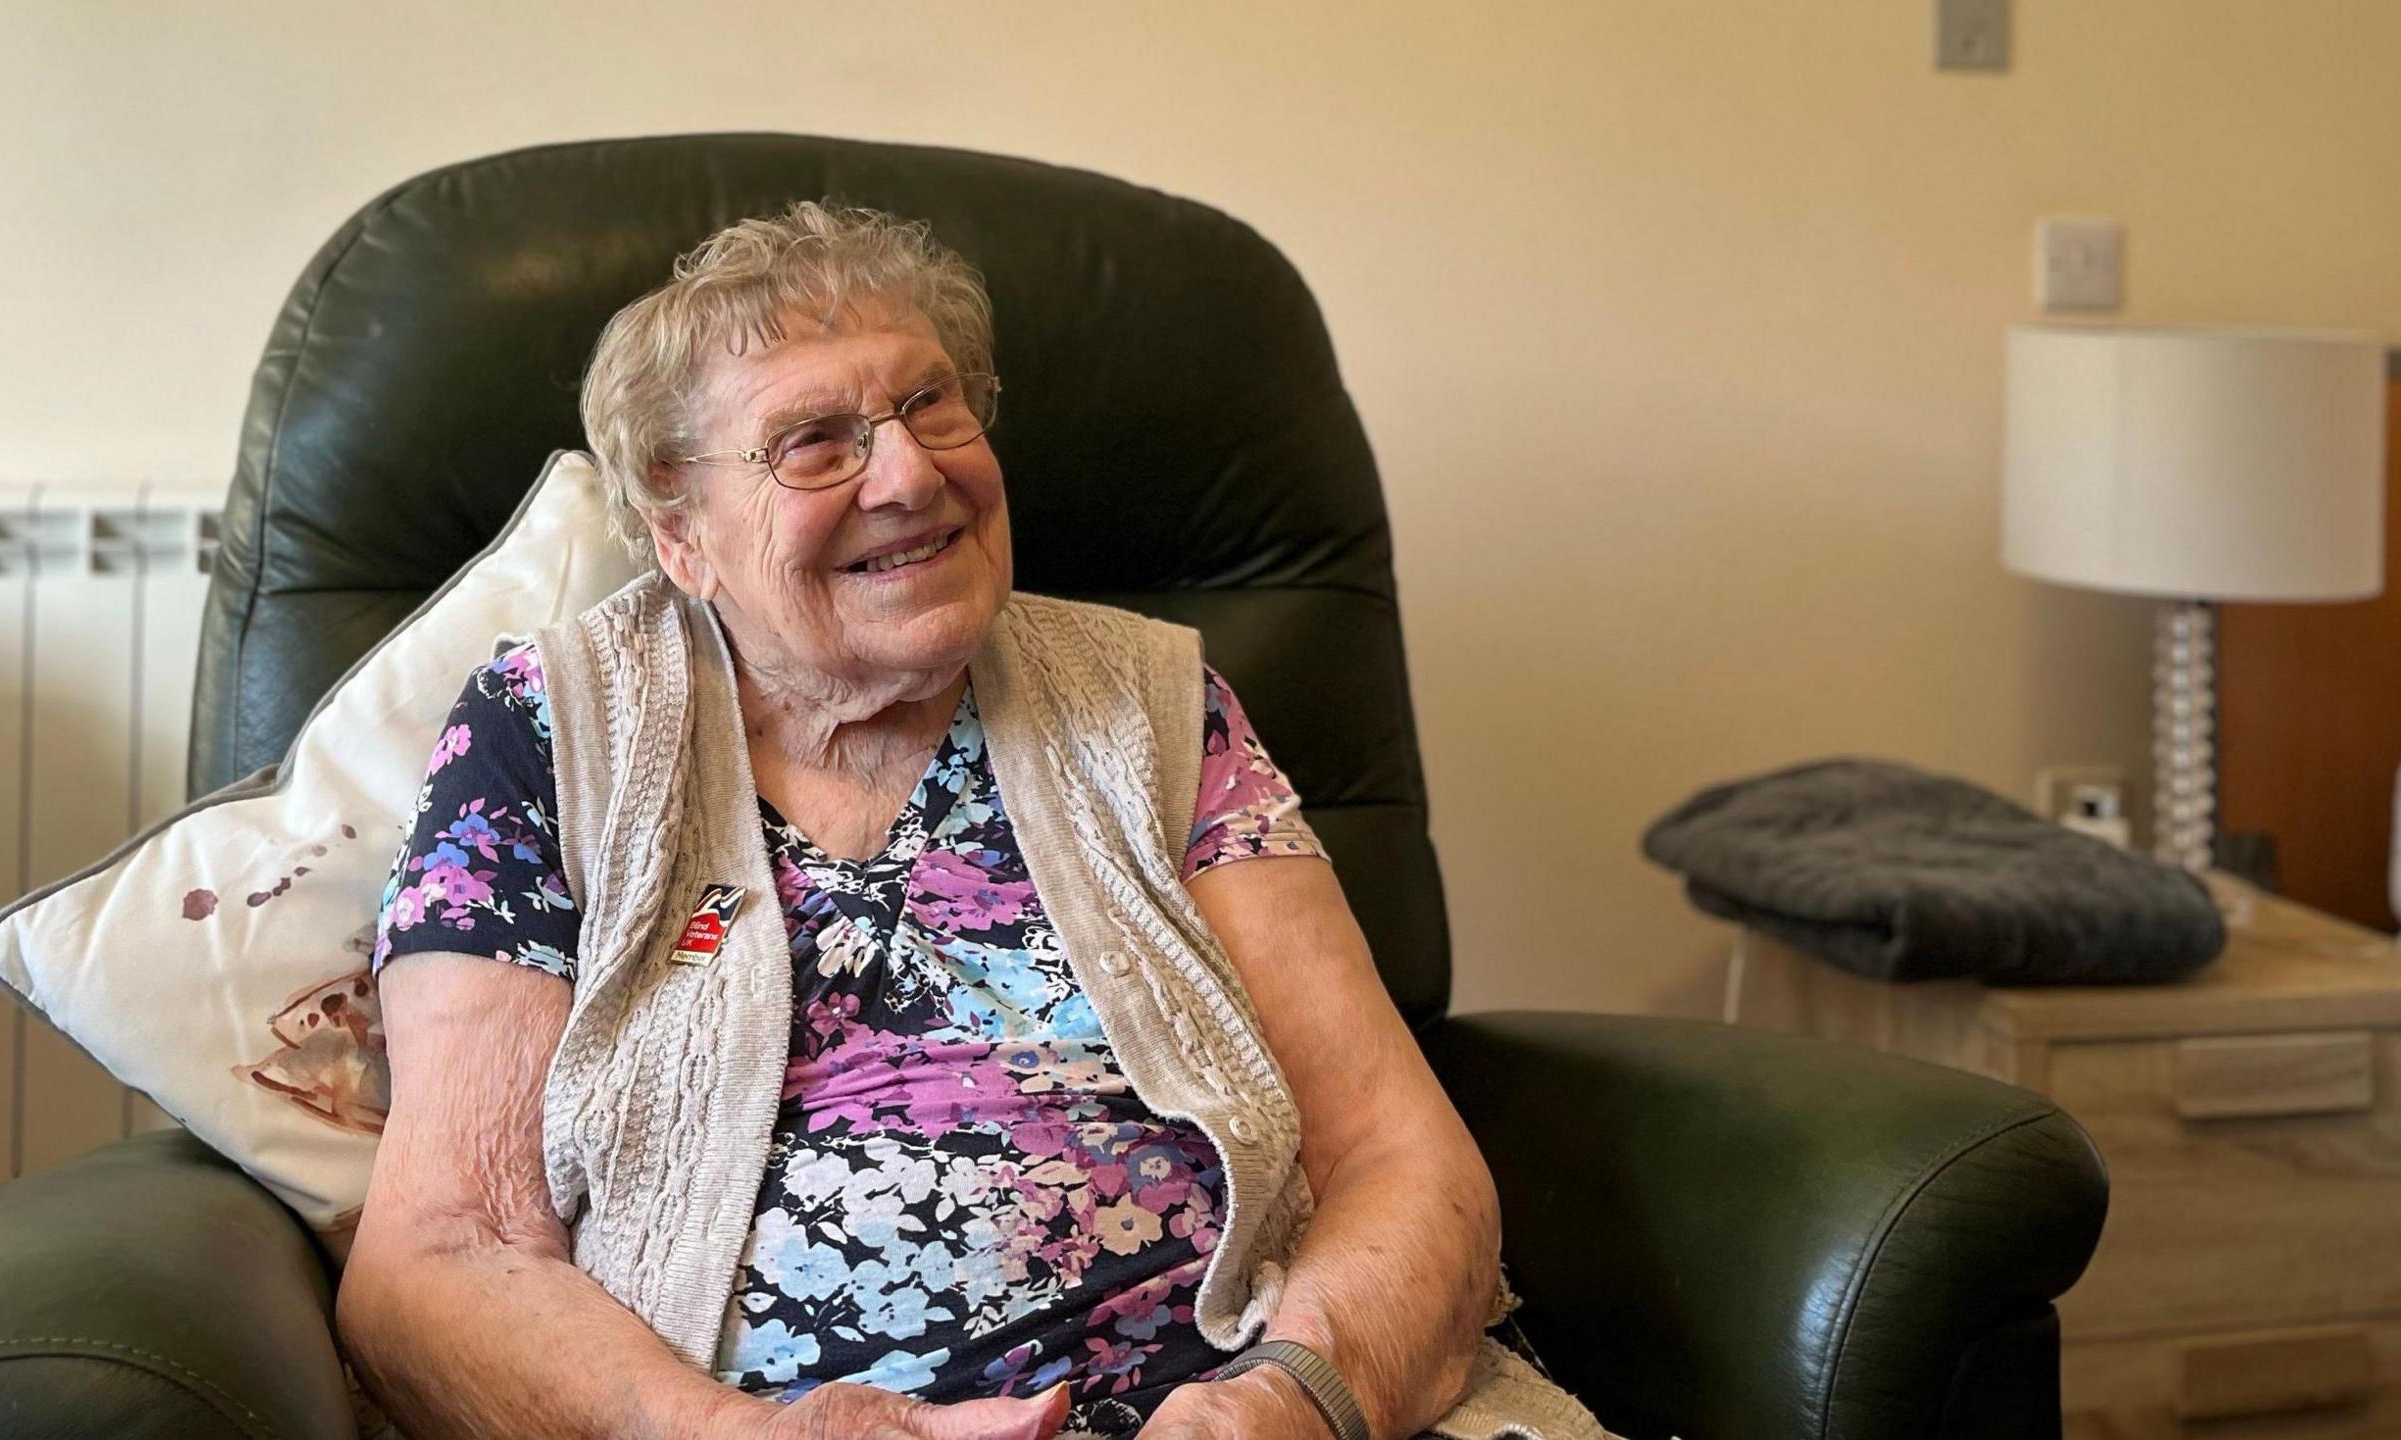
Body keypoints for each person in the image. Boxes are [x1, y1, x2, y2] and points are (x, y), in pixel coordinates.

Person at [339, 202, 1603, 1440]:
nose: (908, 473)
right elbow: (440, 1255)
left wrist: (1285, 1406)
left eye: (927, 403)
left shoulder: (1152, 707)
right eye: (814, 442)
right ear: (681, 533)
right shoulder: (555, 732)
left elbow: (1399, 1156)